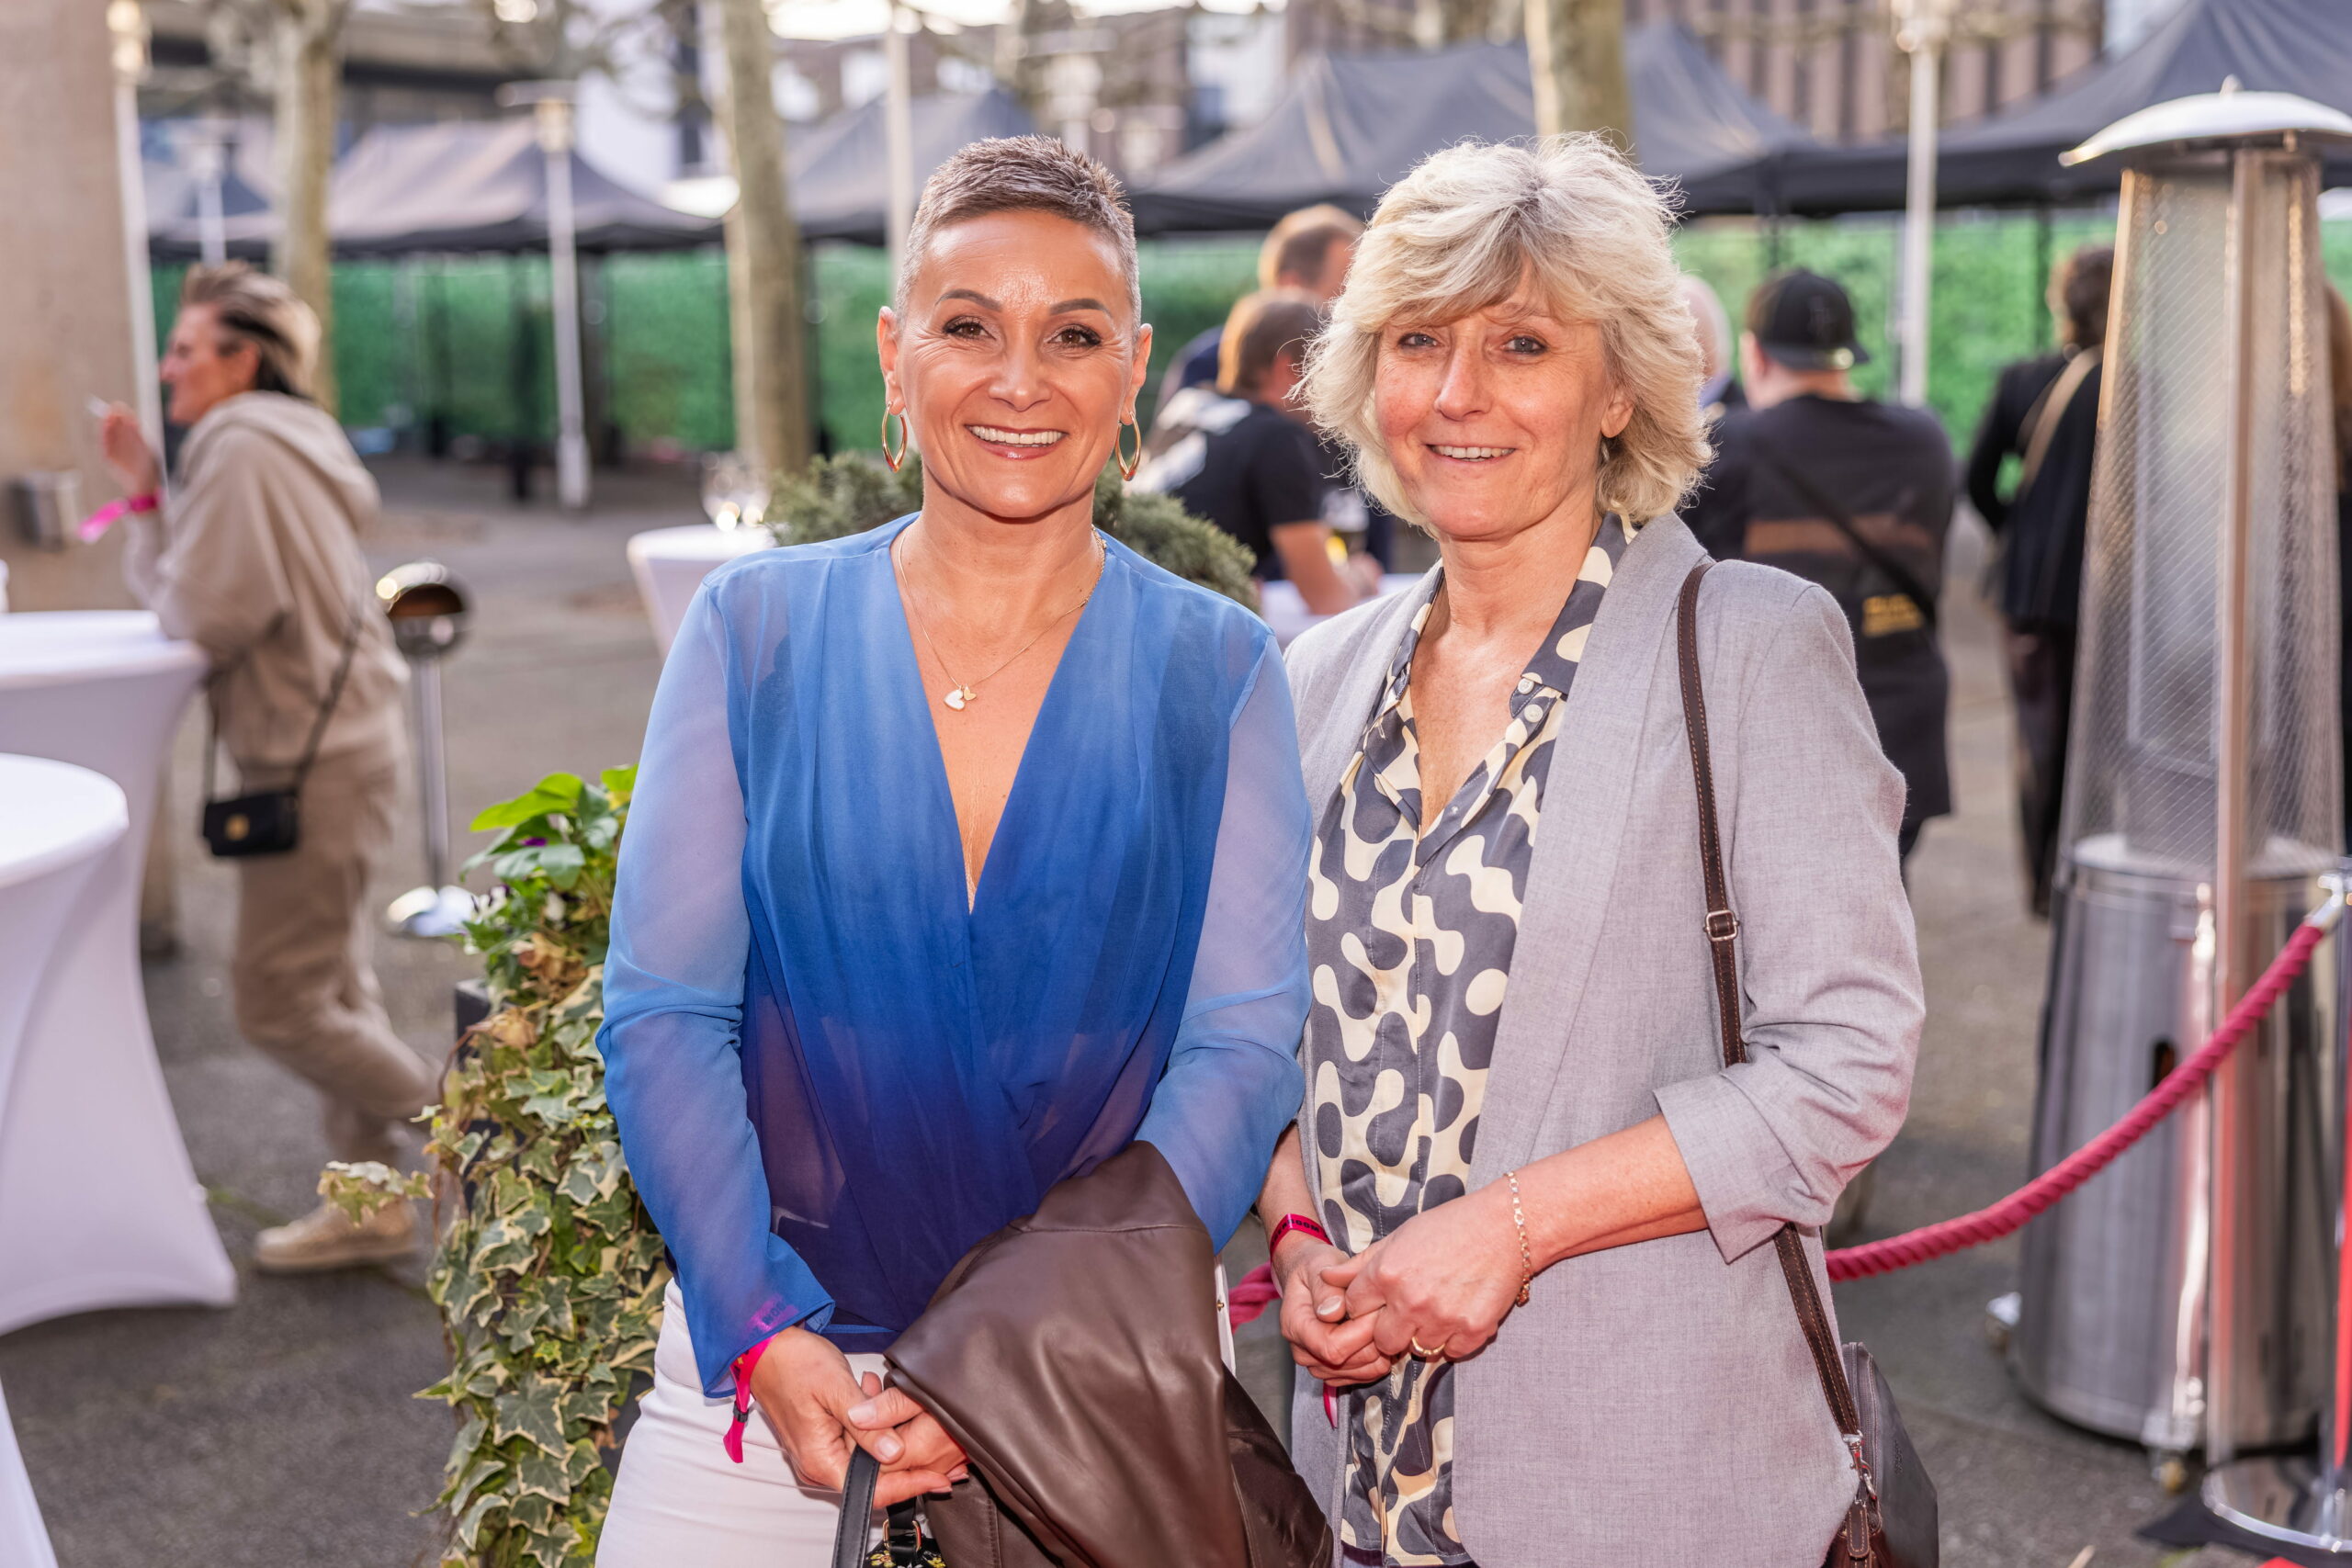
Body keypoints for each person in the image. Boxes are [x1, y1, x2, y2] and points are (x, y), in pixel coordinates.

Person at [594, 135, 1314, 1566]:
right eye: (969, 325)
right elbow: (665, 1010)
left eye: (1075, 335)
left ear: (1133, 369)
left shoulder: (1221, 668)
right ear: (895, 350)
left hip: (1086, 1374)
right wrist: (762, 1327)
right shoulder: (753, 630)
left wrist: (1011, 1352)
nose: (1019, 378)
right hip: (775, 1363)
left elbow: (1241, 1047)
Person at [1261, 136, 1922, 1566]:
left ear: (1617, 385)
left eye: (1521, 343)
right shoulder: (1319, 676)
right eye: (1418, 340)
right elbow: (1273, 1038)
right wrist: (1296, 1228)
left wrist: (1512, 1224)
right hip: (1359, 1481)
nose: (1458, 391)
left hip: (1643, 1478)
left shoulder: (1747, 646)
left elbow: (1848, 1062)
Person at [97, 264, 431, 1275]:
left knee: (277, 1002)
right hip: (341, 743)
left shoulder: (239, 444)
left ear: (243, 360)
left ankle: (487, 1141)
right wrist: (152, 493)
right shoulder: (290, 435)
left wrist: (151, 510)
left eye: (186, 349)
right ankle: (372, 1203)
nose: (168, 368)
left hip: (309, 756)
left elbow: (204, 612)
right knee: (331, 983)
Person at [1685, 268, 1954, 864]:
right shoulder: (1926, 439)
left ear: (1755, 355)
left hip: (1788, 729)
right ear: (1847, 354)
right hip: (1904, 719)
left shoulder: (1730, 446)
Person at [1965, 243, 2113, 916]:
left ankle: (2042, 888)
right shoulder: (2138, 381)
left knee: (2038, 738)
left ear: (2061, 303)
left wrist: (2016, 532)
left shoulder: (2021, 378)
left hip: (2029, 590)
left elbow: (1976, 479)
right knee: (2100, 739)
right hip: (2108, 592)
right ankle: (2089, 873)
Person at [1133, 289, 1370, 615]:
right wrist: (1359, 576)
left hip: (1128, 597)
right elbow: (1326, 598)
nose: (1335, 388)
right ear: (1288, 370)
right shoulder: (1278, 437)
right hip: (1169, 617)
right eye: (1326, 370)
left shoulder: (1188, 406)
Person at [1160, 203, 1363, 407]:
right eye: (1341, 295)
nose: (1354, 311)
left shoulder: (1354, 365)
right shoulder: (1205, 367)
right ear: (1291, 288)